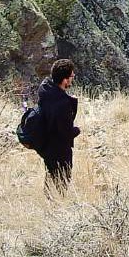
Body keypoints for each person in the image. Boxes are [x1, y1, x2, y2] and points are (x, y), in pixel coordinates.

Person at [33, 58, 80, 192]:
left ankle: (49, 201)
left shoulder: (46, 92)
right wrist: (77, 130)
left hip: (47, 147)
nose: (73, 78)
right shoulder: (62, 103)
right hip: (60, 150)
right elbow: (64, 132)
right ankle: (56, 203)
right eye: (71, 76)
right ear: (65, 80)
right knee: (61, 185)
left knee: (50, 179)